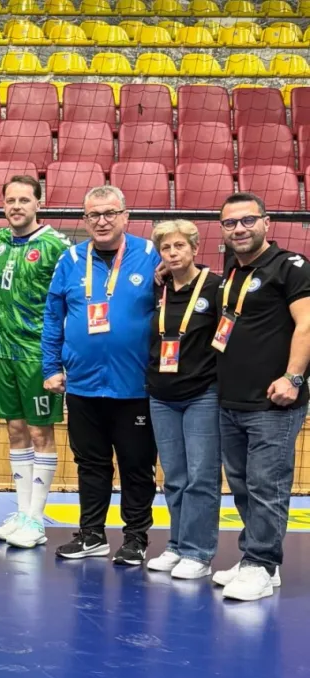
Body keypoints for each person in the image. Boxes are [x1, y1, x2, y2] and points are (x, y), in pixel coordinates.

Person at [43, 186, 159, 565]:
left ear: (125, 216)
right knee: (90, 464)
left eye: (110, 213)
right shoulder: (70, 258)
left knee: (136, 466)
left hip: (135, 386)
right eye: (93, 215)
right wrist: (51, 367)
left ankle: (136, 538)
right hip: (83, 385)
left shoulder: (150, 254)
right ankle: (91, 534)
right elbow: (53, 317)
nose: (102, 221)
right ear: (85, 219)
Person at [210, 193, 310, 601]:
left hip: (274, 402)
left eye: (248, 220)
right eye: (230, 223)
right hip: (231, 400)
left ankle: (260, 564)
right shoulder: (232, 269)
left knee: (267, 486)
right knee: (242, 486)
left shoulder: (291, 266)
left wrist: (293, 378)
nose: (239, 229)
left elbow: (307, 325)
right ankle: (258, 559)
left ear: (266, 222)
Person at [0, 176, 70, 549]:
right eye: (10, 200)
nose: (16, 206)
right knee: (15, 430)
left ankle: (36, 520)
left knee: (40, 433)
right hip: (1, 351)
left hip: (38, 354)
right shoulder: (0, 241)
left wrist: (60, 358)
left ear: (39, 203)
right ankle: (22, 513)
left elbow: (70, 299)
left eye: (24, 199)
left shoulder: (56, 246)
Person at [142, 220, 223, 580]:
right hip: (162, 396)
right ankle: (176, 545)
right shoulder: (158, 287)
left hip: (202, 393)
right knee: (174, 477)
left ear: (194, 248)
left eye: (179, 246)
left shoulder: (215, 287)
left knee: (201, 477)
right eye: (166, 248)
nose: (173, 253)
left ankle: (198, 552)